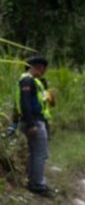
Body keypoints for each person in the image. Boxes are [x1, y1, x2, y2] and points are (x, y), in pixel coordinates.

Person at [14, 56, 55, 197]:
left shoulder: (33, 81)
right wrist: (31, 124)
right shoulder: (27, 80)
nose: (43, 72)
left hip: (35, 120)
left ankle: (33, 181)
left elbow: (41, 102)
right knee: (39, 154)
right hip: (34, 121)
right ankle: (37, 184)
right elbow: (24, 103)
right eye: (43, 68)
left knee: (35, 153)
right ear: (38, 67)